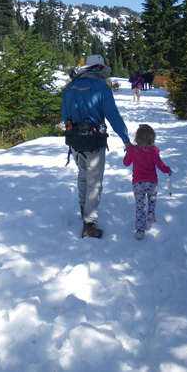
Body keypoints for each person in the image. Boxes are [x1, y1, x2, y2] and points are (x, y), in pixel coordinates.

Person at [62, 54, 131, 238]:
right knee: (94, 181)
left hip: (75, 140)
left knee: (83, 175)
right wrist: (125, 138)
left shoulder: (70, 86)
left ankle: (84, 209)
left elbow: (64, 114)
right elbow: (112, 115)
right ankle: (89, 224)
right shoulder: (101, 87)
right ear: (100, 69)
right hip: (95, 140)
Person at [123, 124, 172, 240]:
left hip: (138, 183)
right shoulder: (153, 150)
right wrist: (168, 170)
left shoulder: (132, 150)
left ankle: (140, 230)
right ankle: (150, 213)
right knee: (152, 198)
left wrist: (128, 152)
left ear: (137, 137)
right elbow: (160, 165)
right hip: (151, 182)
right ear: (151, 138)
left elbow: (126, 163)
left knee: (140, 206)